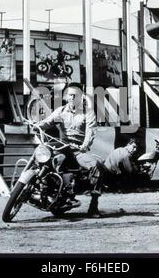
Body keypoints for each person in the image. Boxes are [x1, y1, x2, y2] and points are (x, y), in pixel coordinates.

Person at [34, 82, 105, 217]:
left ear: (81, 96)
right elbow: (47, 122)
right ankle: (39, 188)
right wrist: (38, 126)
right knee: (47, 159)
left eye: (74, 95)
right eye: (69, 95)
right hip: (61, 147)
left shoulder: (88, 113)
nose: (71, 98)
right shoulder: (60, 111)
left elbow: (91, 130)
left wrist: (85, 144)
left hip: (78, 150)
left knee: (97, 166)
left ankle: (94, 205)